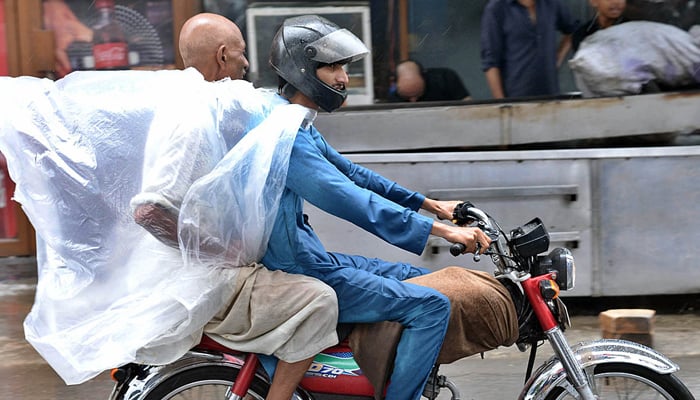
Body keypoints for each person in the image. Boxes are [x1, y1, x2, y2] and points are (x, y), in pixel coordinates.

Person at [261, 15, 493, 400]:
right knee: (433, 306)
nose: (342, 78)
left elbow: (354, 174)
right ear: (302, 69)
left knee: (414, 276)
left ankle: (369, 377)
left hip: (308, 256)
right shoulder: (289, 140)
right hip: (299, 268)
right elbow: (353, 201)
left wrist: (430, 204)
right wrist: (443, 231)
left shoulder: (295, 122)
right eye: (332, 66)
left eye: (343, 67)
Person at [131, 13, 339, 400]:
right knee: (320, 298)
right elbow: (149, 211)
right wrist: (219, 251)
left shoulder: (199, 103)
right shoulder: (191, 118)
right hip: (204, 282)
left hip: (203, 273)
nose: (246, 64)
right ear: (224, 56)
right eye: (242, 55)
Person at [480, 0, 579, 99]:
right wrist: (501, 104)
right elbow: (491, 62)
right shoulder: (496, 8)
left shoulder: (551, 3)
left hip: (551, 94)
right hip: (515, 97)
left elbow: (573, 29)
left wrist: (557, 58)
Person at [388, 59, 471, 102]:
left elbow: (467, 105)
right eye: (406, 97)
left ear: (424, 77)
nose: (413, 101)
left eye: (418, 94)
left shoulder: (445, 78)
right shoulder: (393, 96)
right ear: (395, 84)